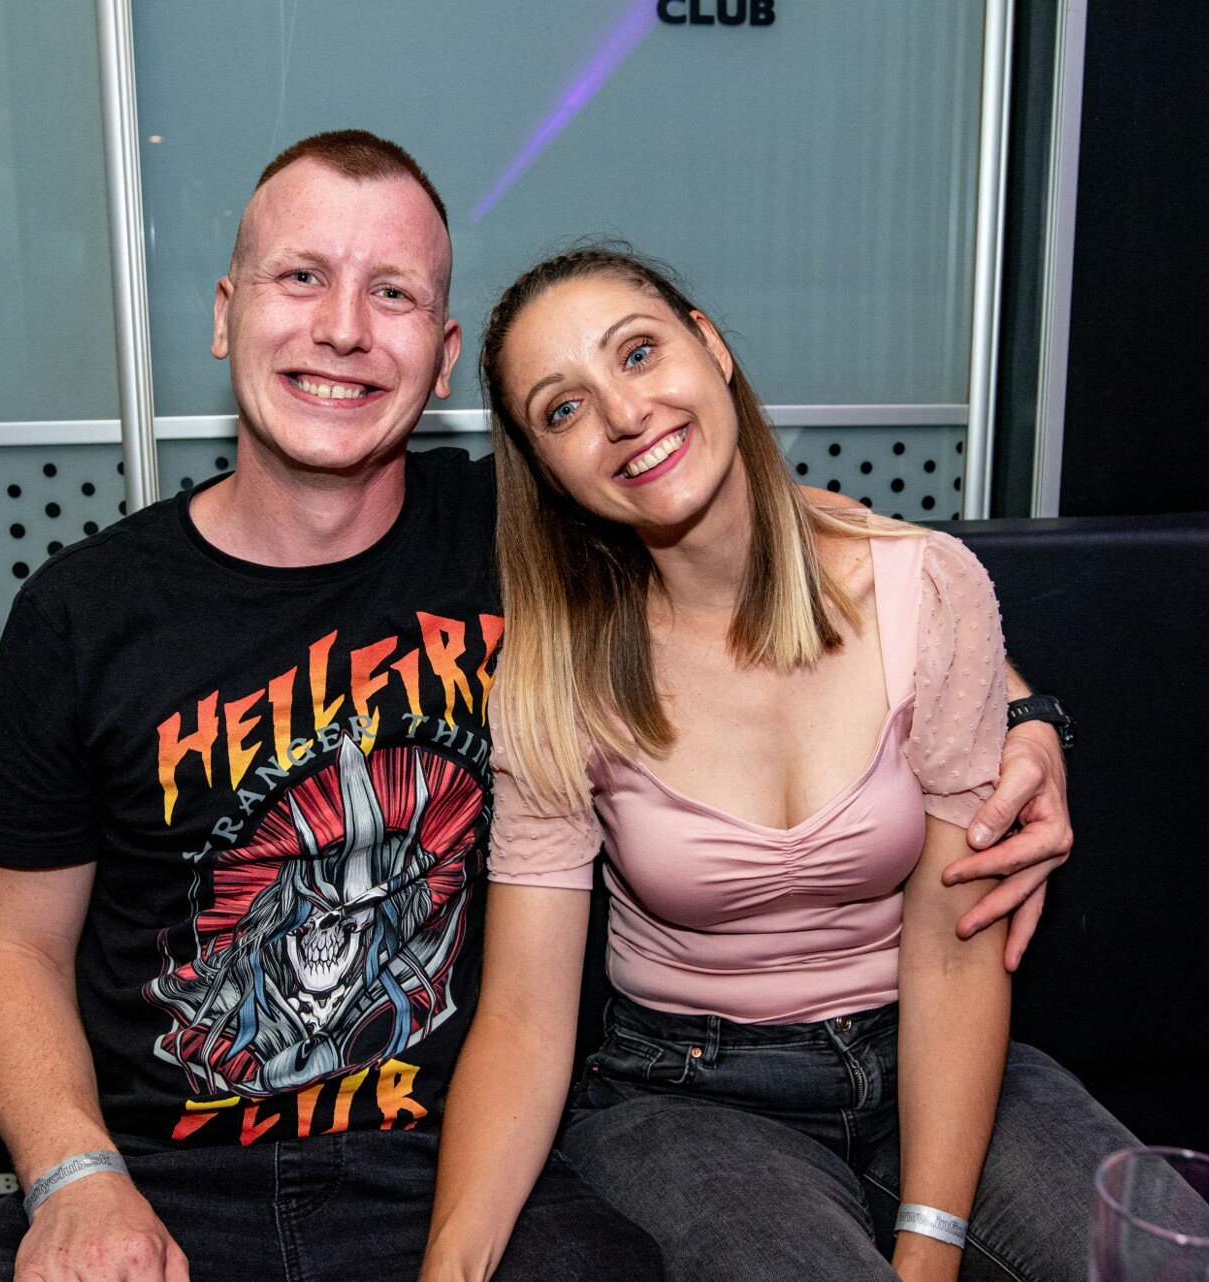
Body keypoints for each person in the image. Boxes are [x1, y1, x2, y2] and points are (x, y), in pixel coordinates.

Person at [0, 131, 1075, 1282]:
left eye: (391, 292)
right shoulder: (84, 613)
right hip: (157, 1168)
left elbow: (795, 546)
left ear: (439, 359)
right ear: (228, 313)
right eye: (302, 277)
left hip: (438, 1158)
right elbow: (9, 944)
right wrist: (73, 1173)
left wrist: (1026, 718)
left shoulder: (532, 530)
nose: (343, 327)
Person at [420, 246, 1133, 1282]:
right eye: (563, 409)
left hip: (931, 1049)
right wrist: (450, 1266)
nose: (624, 414)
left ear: (711, 347)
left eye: (638, 352)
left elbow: (953, 950)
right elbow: (526, 1016)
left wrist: (928, 1253)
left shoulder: (926, 589)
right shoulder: (554, 673)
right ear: (544, 469)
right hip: (684, 1094)